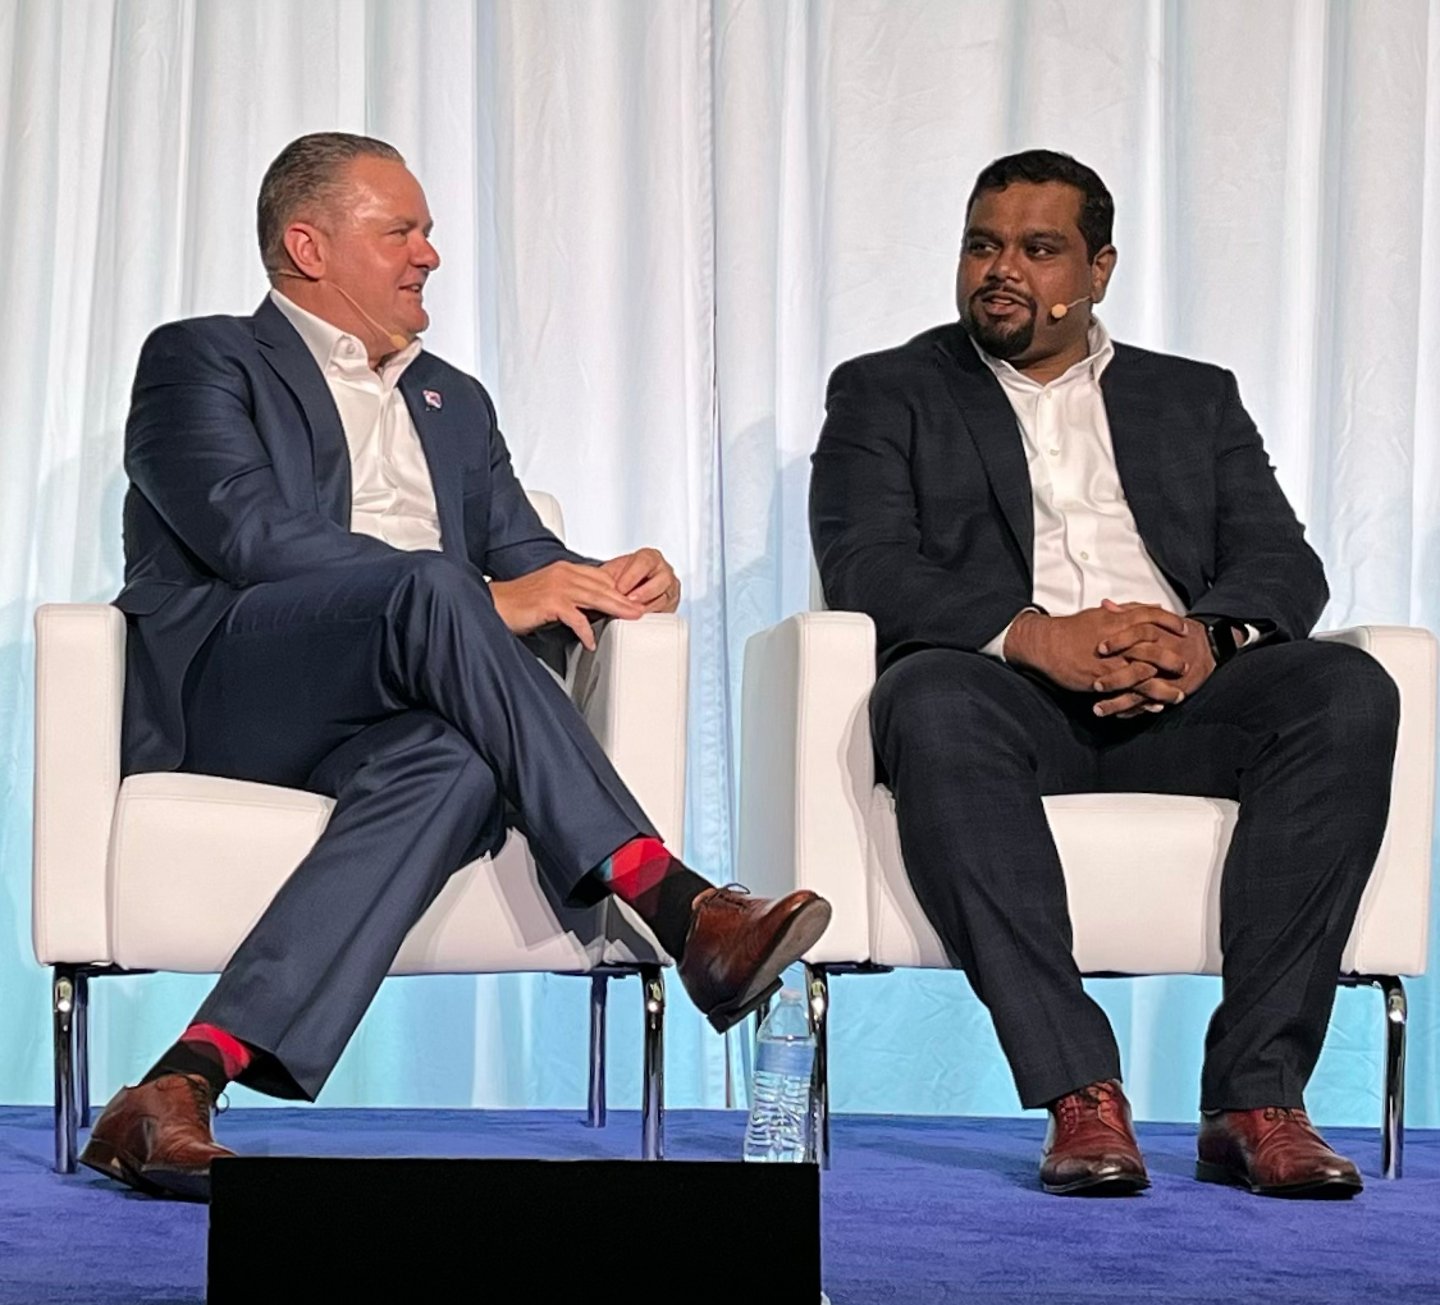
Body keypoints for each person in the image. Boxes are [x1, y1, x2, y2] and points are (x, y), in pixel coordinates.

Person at [82, 132, 831, 1201]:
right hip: (234, 686)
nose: (429, 253)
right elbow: (249, 538)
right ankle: (668, 895)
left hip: (391, 706)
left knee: (459, 765)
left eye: (427, 231)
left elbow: (528, 559)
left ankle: (181, 1082)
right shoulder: (200, 359)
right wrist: (477, 595)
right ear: (308, 245)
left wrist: (610, 578)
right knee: (438, 584)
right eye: (402, 230)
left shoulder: (455, 400)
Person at [809, 149, 1398, 1199]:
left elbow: (1282, 561)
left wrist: (1202, 642)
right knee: (928, 697)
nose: (1003, 271)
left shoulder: (1191, 397)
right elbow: (866, 563)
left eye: (1039, 250)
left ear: (1098, 268)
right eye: (983, 245)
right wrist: (1034, 635)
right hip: (1005, 699)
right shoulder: (889, 390)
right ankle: (1081, 1092)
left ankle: (1257, 1102)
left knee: (1345, 689)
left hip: (1180, 696)